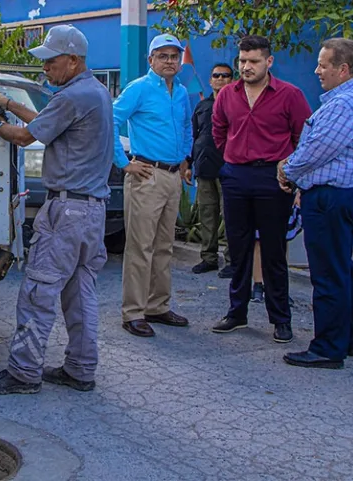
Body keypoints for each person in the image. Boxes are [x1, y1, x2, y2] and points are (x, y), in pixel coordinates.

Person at [0, 25, 112, 394]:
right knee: (80, 293)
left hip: (65, 212)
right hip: (91, 212)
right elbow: (47, 120)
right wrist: (8, 103)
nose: (46, 69)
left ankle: (22, 374)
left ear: (73, 60)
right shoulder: (94, 91)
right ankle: (81, 370)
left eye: (51, 62)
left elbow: (25, 135)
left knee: (39, 292)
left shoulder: (73, 96)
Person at [278, 38, 353, 369]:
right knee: (340, 268)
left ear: (343, 69)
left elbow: (317, 150)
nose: (317, 70)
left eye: (323, 65)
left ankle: (328, 347)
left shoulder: (343, 105)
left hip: (332, 198)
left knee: (327, 274)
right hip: (349, 192)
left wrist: (287, 170)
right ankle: (345, 338)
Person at [210, 35, 312, 343]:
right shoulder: (228, 94)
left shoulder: (290, 95)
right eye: (242, 61)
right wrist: (231, 159)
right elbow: (218, 129)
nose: (246, 67)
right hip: (237, 177)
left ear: (269, 62)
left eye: (253, 61)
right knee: (238, 250)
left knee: (273, 252)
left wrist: (292, 175)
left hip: (273, 178)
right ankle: (236, 313)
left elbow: (303, 137)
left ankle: (280, 318)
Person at [112, 33, 193, 338]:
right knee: (140, 247)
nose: (169, 61)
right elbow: (110, 118)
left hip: (172, 177)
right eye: (163, 56)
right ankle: (133, 312)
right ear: (151, 60)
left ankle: (157, 306)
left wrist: (185, 156)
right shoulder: (140, 89)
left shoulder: (182, 93)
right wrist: (124, 163)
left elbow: (186, 125)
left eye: (174, 56)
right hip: (146, 175)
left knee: (163, 246)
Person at [188, 63, 234, 276]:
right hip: (204, 167)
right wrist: (188, 164)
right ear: (210, 80)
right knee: (207, 215)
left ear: (232, 80)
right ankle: (209, 258)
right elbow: (194, 136)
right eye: (216, 75)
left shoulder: (237, 104)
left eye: (225, 76)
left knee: (230, 216)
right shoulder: (202, 106)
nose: (221, 79)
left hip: (229, 168)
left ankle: (233, 260)